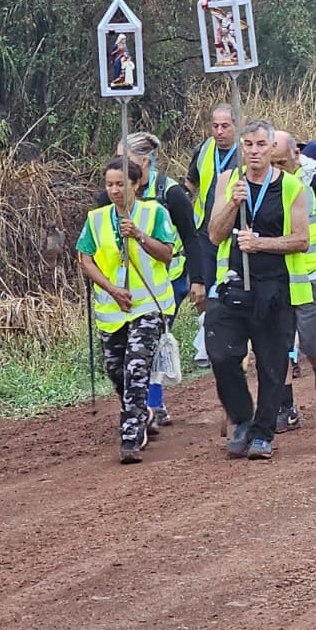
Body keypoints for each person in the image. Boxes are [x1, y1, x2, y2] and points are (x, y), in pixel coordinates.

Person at [205, 119, 312, 461]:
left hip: (275, 287)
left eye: (260, 145)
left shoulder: (292, 186)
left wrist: (260, 243)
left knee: (271, 363)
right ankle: (242, 419)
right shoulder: (228, 181)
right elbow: (214, 235)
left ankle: (263, 433)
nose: (254, 151)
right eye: (248, 144)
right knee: (221, 354)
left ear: (271, 148)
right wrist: (232, 204)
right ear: (241, 147)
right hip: (234, 284)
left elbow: (302, 240)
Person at [78, 156, 178, 462]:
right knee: (116, 369)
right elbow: (85, 259)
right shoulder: (96, 219)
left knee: (137, 368)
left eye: (121, 184)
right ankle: (141, 412)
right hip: (112, 310)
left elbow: (166, 254)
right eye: (109, 184)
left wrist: (139, 236)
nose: (114, 190)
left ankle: (130, 436)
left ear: (136, 184)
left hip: (148, 305)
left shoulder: (154, 213)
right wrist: (111, 289)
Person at [113, 132, 198, 427]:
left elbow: (191, 237)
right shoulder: (113, 195)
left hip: (167, 282)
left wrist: (199, 280)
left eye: (127, 161)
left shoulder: (172, 194)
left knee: (151, 342)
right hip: (127, 284)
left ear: (145, 162)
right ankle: (142, 403)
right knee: (128, 348)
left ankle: (152, 405)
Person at [267, 133, 316, 427]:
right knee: (279, 341)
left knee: (312, 343)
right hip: (278, 275)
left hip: (315, 273)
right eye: (272, 162)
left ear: (296, 154)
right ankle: (285, 406)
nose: (278, 167)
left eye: (282, 161)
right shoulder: (265, 184)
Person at [185, 103, 239, 365]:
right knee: (202, 287)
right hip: (203, 231)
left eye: (225, 126)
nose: (219, 132)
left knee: (230, 286)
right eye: (215, 126)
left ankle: (229, 338)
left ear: (236, 126)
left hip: (234, 232)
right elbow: (191, 182)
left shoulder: (246, 151)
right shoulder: (204, 149)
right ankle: (205, 340)